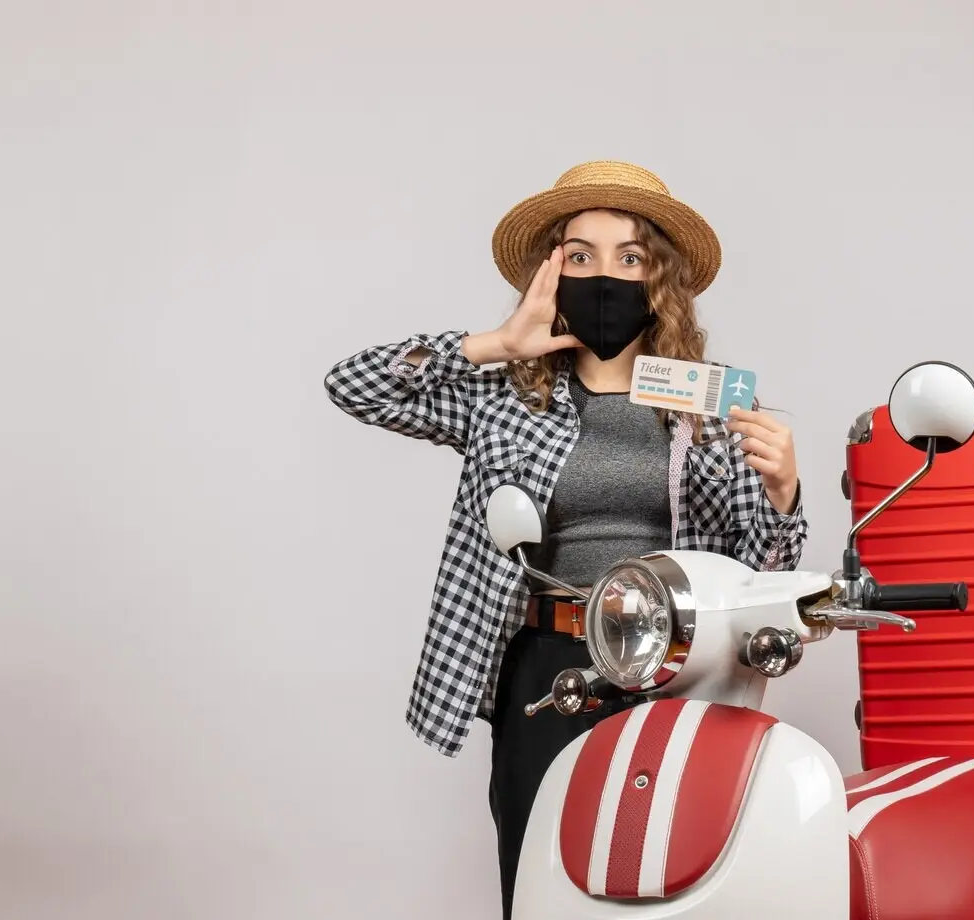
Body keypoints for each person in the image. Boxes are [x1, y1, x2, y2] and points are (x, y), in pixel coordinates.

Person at [323, 160, 808, 918]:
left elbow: (762, 573)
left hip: (674, 663)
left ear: (659, 278)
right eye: (581, 255)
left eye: (629, 256)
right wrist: (496, 342)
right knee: (539, 867)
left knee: (669, 866)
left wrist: (783, 494)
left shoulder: (710, 406)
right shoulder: (505, 397)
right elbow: (354, 384)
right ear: (551, 274)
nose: (604, 276)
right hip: (547, 662)